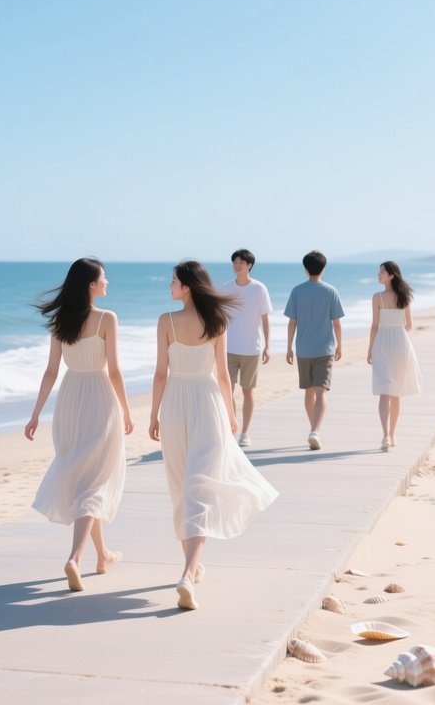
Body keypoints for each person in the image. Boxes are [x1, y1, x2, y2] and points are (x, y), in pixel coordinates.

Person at [148, 261, 278, 611]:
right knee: (199, 485)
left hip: (175, 403)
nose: (170, 285)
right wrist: (231, 414)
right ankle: (191, 571)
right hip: (207, 403)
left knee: (182, 485)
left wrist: (153, 414)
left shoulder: (166, 322)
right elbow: (223, 377)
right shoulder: (217, 322)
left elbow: (161, 374)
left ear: (187, 286)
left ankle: (190, 568)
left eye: (173, 280)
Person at [25, 258, 134, 593]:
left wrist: (36, 413)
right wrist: (127, 411)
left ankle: (103, 555)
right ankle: (75, 558)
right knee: (97, 480)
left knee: (87, 479)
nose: (107, 283)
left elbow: (50, 372)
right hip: (99, 398)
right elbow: (114, 371)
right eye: (103, 278)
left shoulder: (61, 321)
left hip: (70, 401)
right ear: (90, 283)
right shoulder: (106, 318)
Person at [284, 251, 344, 451]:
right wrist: (340, 345)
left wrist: (289, 348)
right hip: (325, 349)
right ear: (323, 268)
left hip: (303, 349)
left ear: (305, 268)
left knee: (309, 392)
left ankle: (313, 429)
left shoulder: (297, 291)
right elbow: (337, 323)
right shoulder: (331, 291)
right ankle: (315, 430)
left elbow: (292, 323)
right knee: (321, 391)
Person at [366, 261, 422, 451]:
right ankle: (391, 434)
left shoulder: (377, 298)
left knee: (385, 390)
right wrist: (399, 335)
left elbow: (374, 326)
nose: (378, 274)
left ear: (391, 275)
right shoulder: (404, 296)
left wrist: (370, 348)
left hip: (382, 343)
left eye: (382, 272)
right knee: (396, 392)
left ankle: (385, 436)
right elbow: (409, 324)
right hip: (401, 342)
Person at [220, 248, 273, 448]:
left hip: (252, 348)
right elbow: (218, 316)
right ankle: (230, 430)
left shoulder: (259, 289)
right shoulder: (225, 288)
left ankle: (245, 432)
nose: (237, 265)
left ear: (249, 265)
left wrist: (268, 346)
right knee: (227, 390)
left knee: (248, 391)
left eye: (241, 262)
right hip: (228, 347)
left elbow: (265, 318)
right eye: (235, 262)